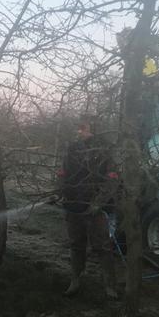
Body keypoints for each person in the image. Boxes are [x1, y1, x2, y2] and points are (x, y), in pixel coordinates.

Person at [57, 115, 119, 299]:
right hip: (73, 205)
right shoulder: (72, 150)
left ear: (94, 129)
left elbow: (112, 179)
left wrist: (98, 203)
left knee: (102, 247)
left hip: (96, 208)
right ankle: (75, 280)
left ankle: (110, 286)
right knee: (76, 245)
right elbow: (62, 172)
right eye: (78, 128)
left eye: (83, 128)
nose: (79, 131)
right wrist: (60, 190)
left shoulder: (104, 151)